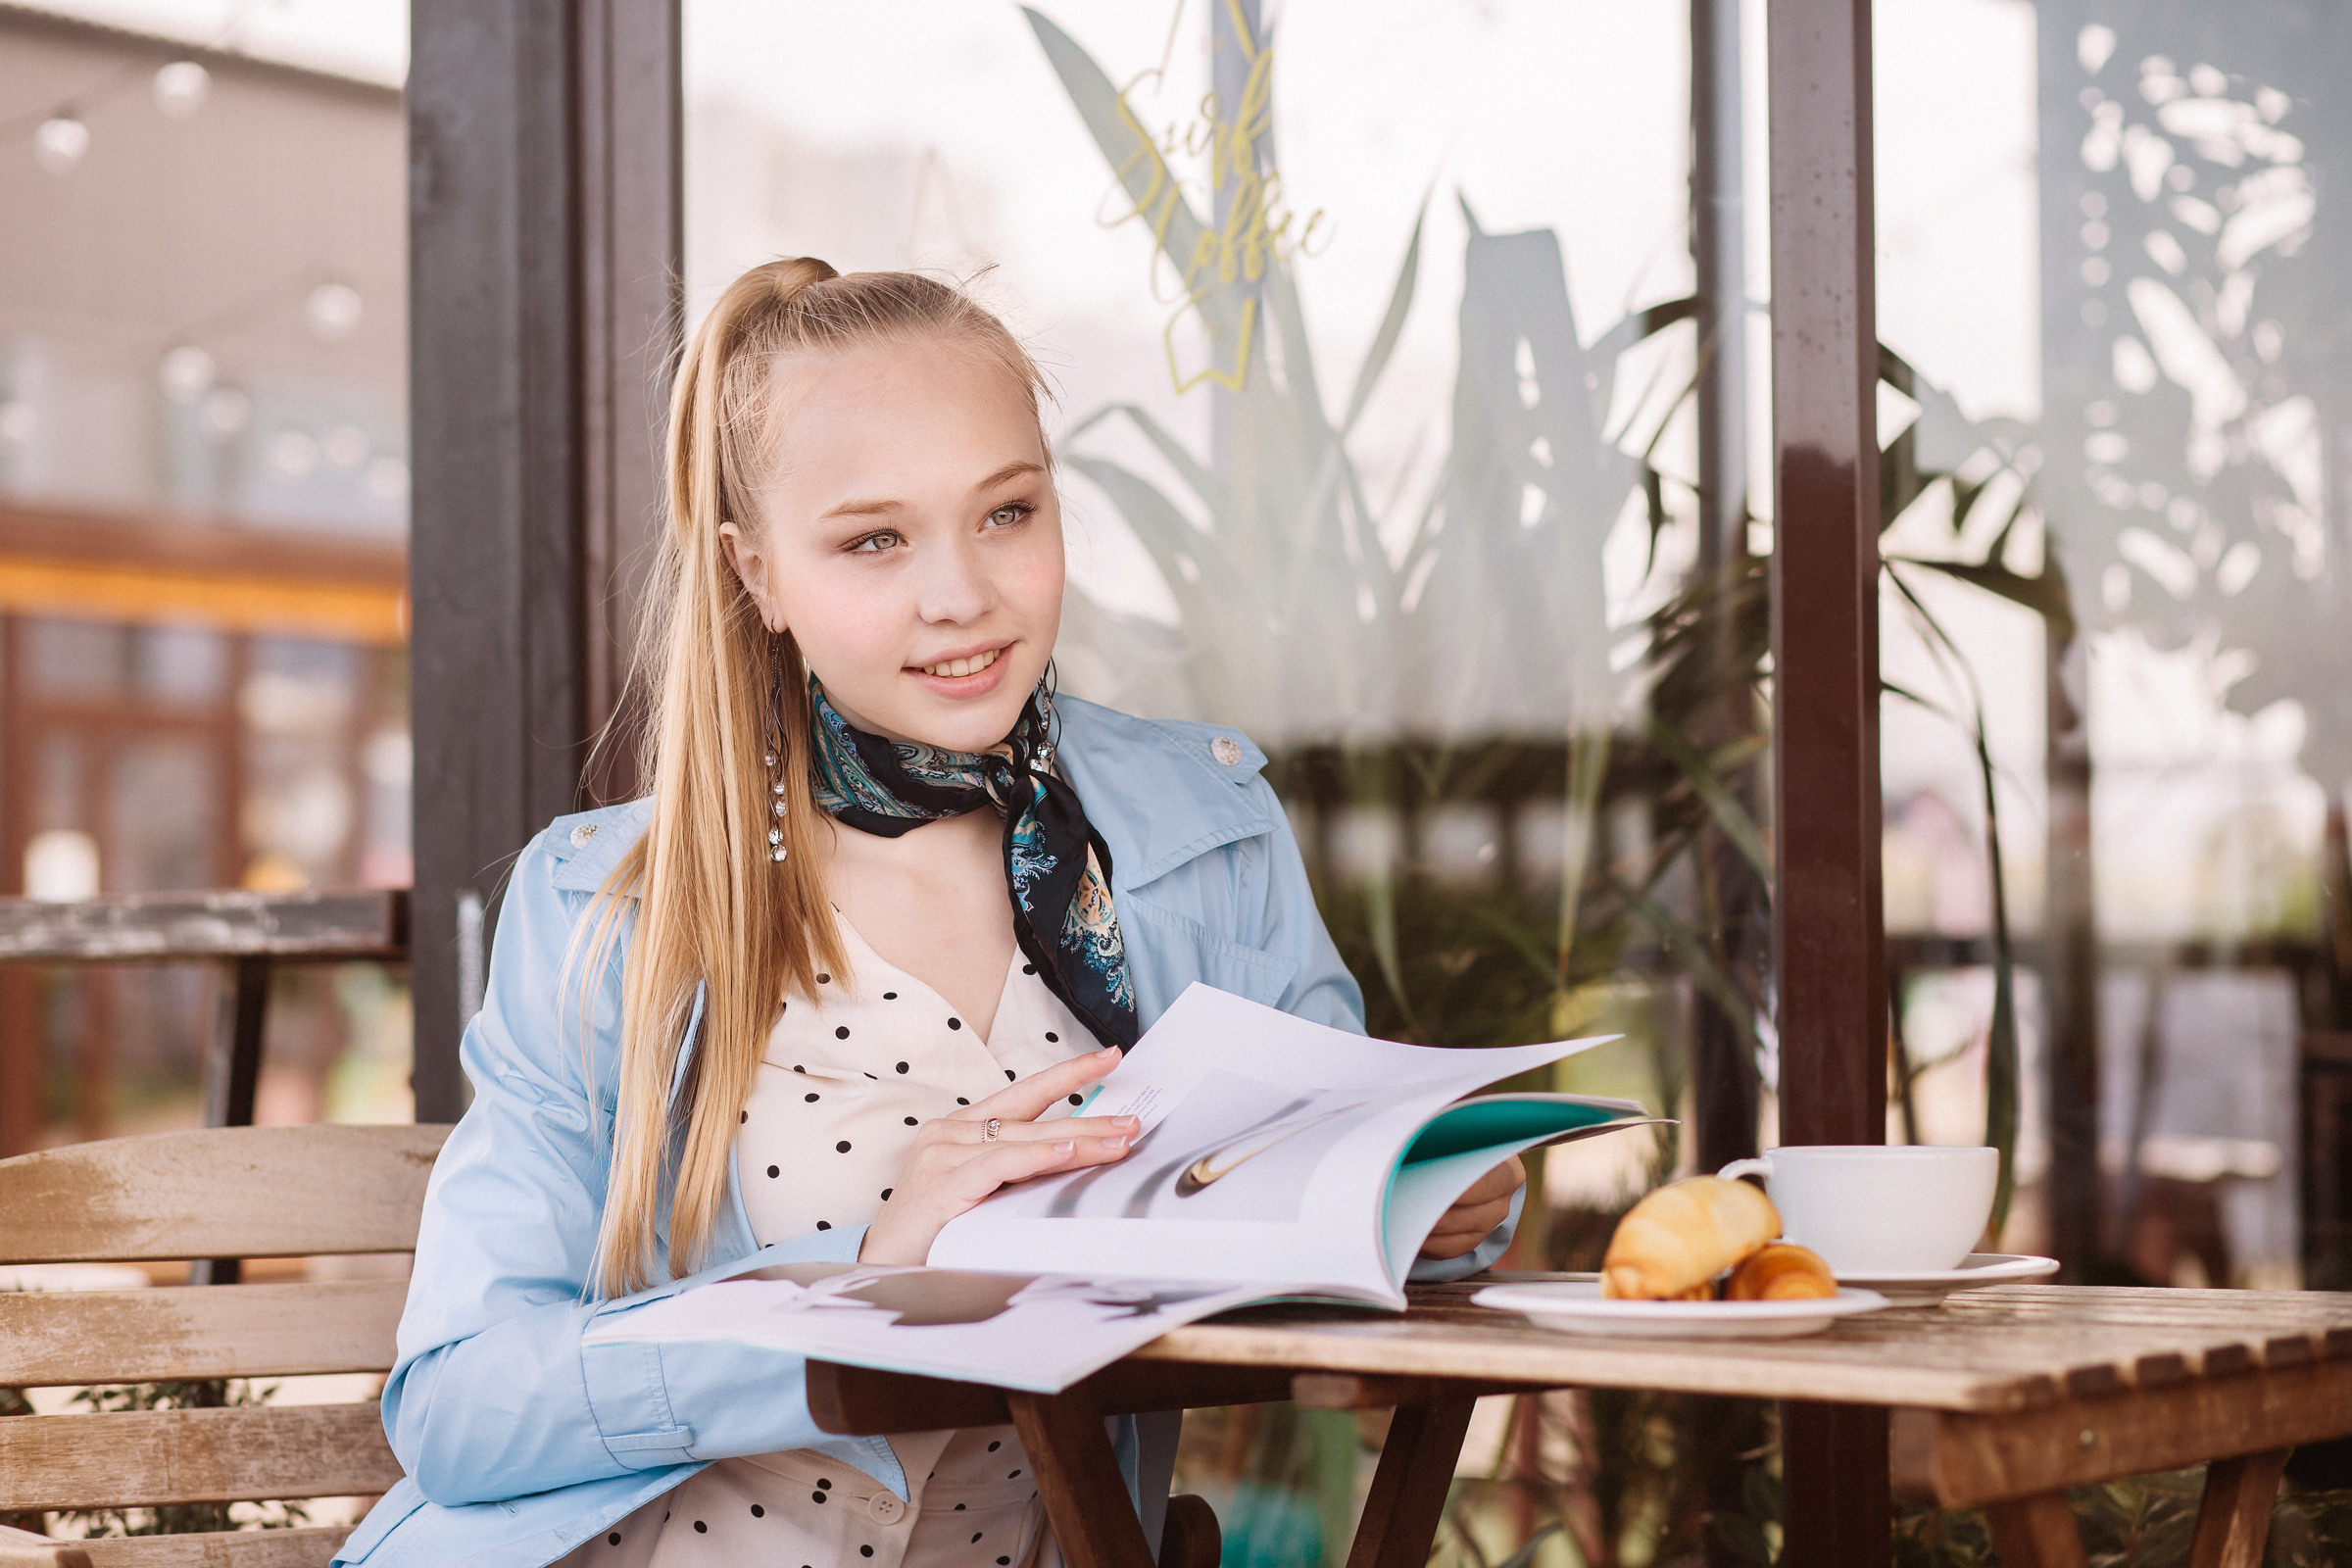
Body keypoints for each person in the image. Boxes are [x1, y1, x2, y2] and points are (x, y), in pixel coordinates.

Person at [335, 259, 1527, 1568]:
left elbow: (1331, 1201)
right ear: (757, 575)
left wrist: (1434, 1197)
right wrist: (867, 1277)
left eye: (1006, 513)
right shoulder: (608, 906)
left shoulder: (1209, 831)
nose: (962, 594)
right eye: (874, 539)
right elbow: (458, 1409)